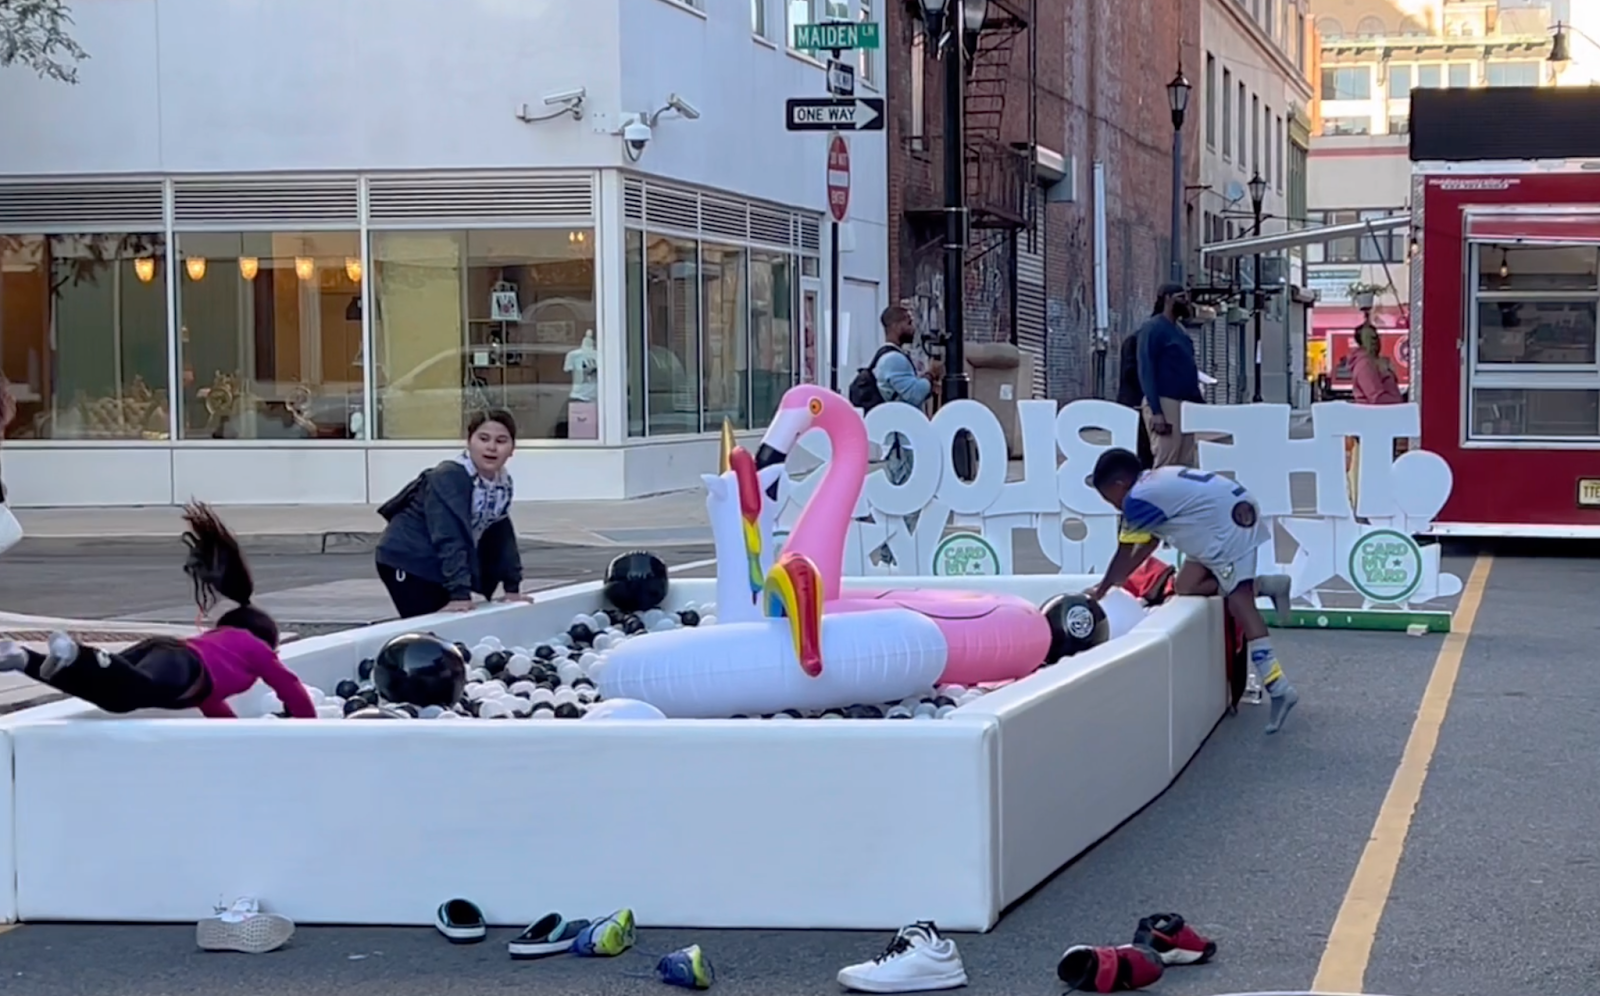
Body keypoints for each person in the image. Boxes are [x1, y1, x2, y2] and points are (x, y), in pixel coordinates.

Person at [0, 503, 315, 719]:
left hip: (168, 653)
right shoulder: (253, 647)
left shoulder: (218, 661)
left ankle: (23, 658)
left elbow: (218, 716)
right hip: (182, 665)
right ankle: (76, 653)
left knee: (104, 691)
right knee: (126, 694)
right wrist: (311, 729)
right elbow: (289, 686)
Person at [1086, 448, 1300, 734]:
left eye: (1106, 497)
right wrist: (1115, 581)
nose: (1111, 505)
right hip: (1221, 516)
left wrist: (1101, 590)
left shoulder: (1136, 500)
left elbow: (1125, 552)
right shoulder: (1150, 485)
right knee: (1186, 586)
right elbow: (1147, 544)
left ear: (1119, 485)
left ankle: (1278, 687)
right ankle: (1267, 585)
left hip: (1228, 525)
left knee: (1240, 604)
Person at [374, 409, 532, 618]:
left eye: (501, 440)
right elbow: (449, 535)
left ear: (512, 449)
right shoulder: (450, 477)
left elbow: (501, 535)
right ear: (469, 441)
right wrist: (459, 593)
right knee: (431, 627)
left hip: (436, 562)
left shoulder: (501, 483)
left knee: (447, 629)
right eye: (483, 439)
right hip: (407, 558)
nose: (491, 447)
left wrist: (513, 588)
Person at [1135, 284, 1205, 468]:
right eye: (1181, 297)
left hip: (1186, 403)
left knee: (1185, 461)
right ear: (1167, 298)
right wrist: (1156, 411)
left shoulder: (1180, 330)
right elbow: (1146, 369)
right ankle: (1159, 496)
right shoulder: (1153, 328)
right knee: (1167, 457)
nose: (1186, 302)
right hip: (1166, 402)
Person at [874, 306, 943, 487]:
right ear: (896, 326)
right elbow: (914, 393)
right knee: (907, 487)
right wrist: (931, 374)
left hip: (900, 437)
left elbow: (904, 391)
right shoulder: (894, 359)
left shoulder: (887, 357)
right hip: (903, 440)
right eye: (909, 322)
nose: (913, 328)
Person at [1346, 321, 1405, 515]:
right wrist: (1400, 405)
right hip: (1374, 427)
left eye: (1376, 336)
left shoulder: (1373, 362)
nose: (1375, 341)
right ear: (1361, 341)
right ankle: (1372, 509)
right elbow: (1375, 397)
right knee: (1373, 472)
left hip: (1381, 426)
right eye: (1370, 337)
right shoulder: (1365, 364)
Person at [1117, 312, 1158, 471]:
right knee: (1142, 448)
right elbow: (1131, 373)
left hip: (1137, 402)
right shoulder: (1139, 341)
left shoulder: (1138, 339)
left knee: (1144, 448)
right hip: (1138, 403)